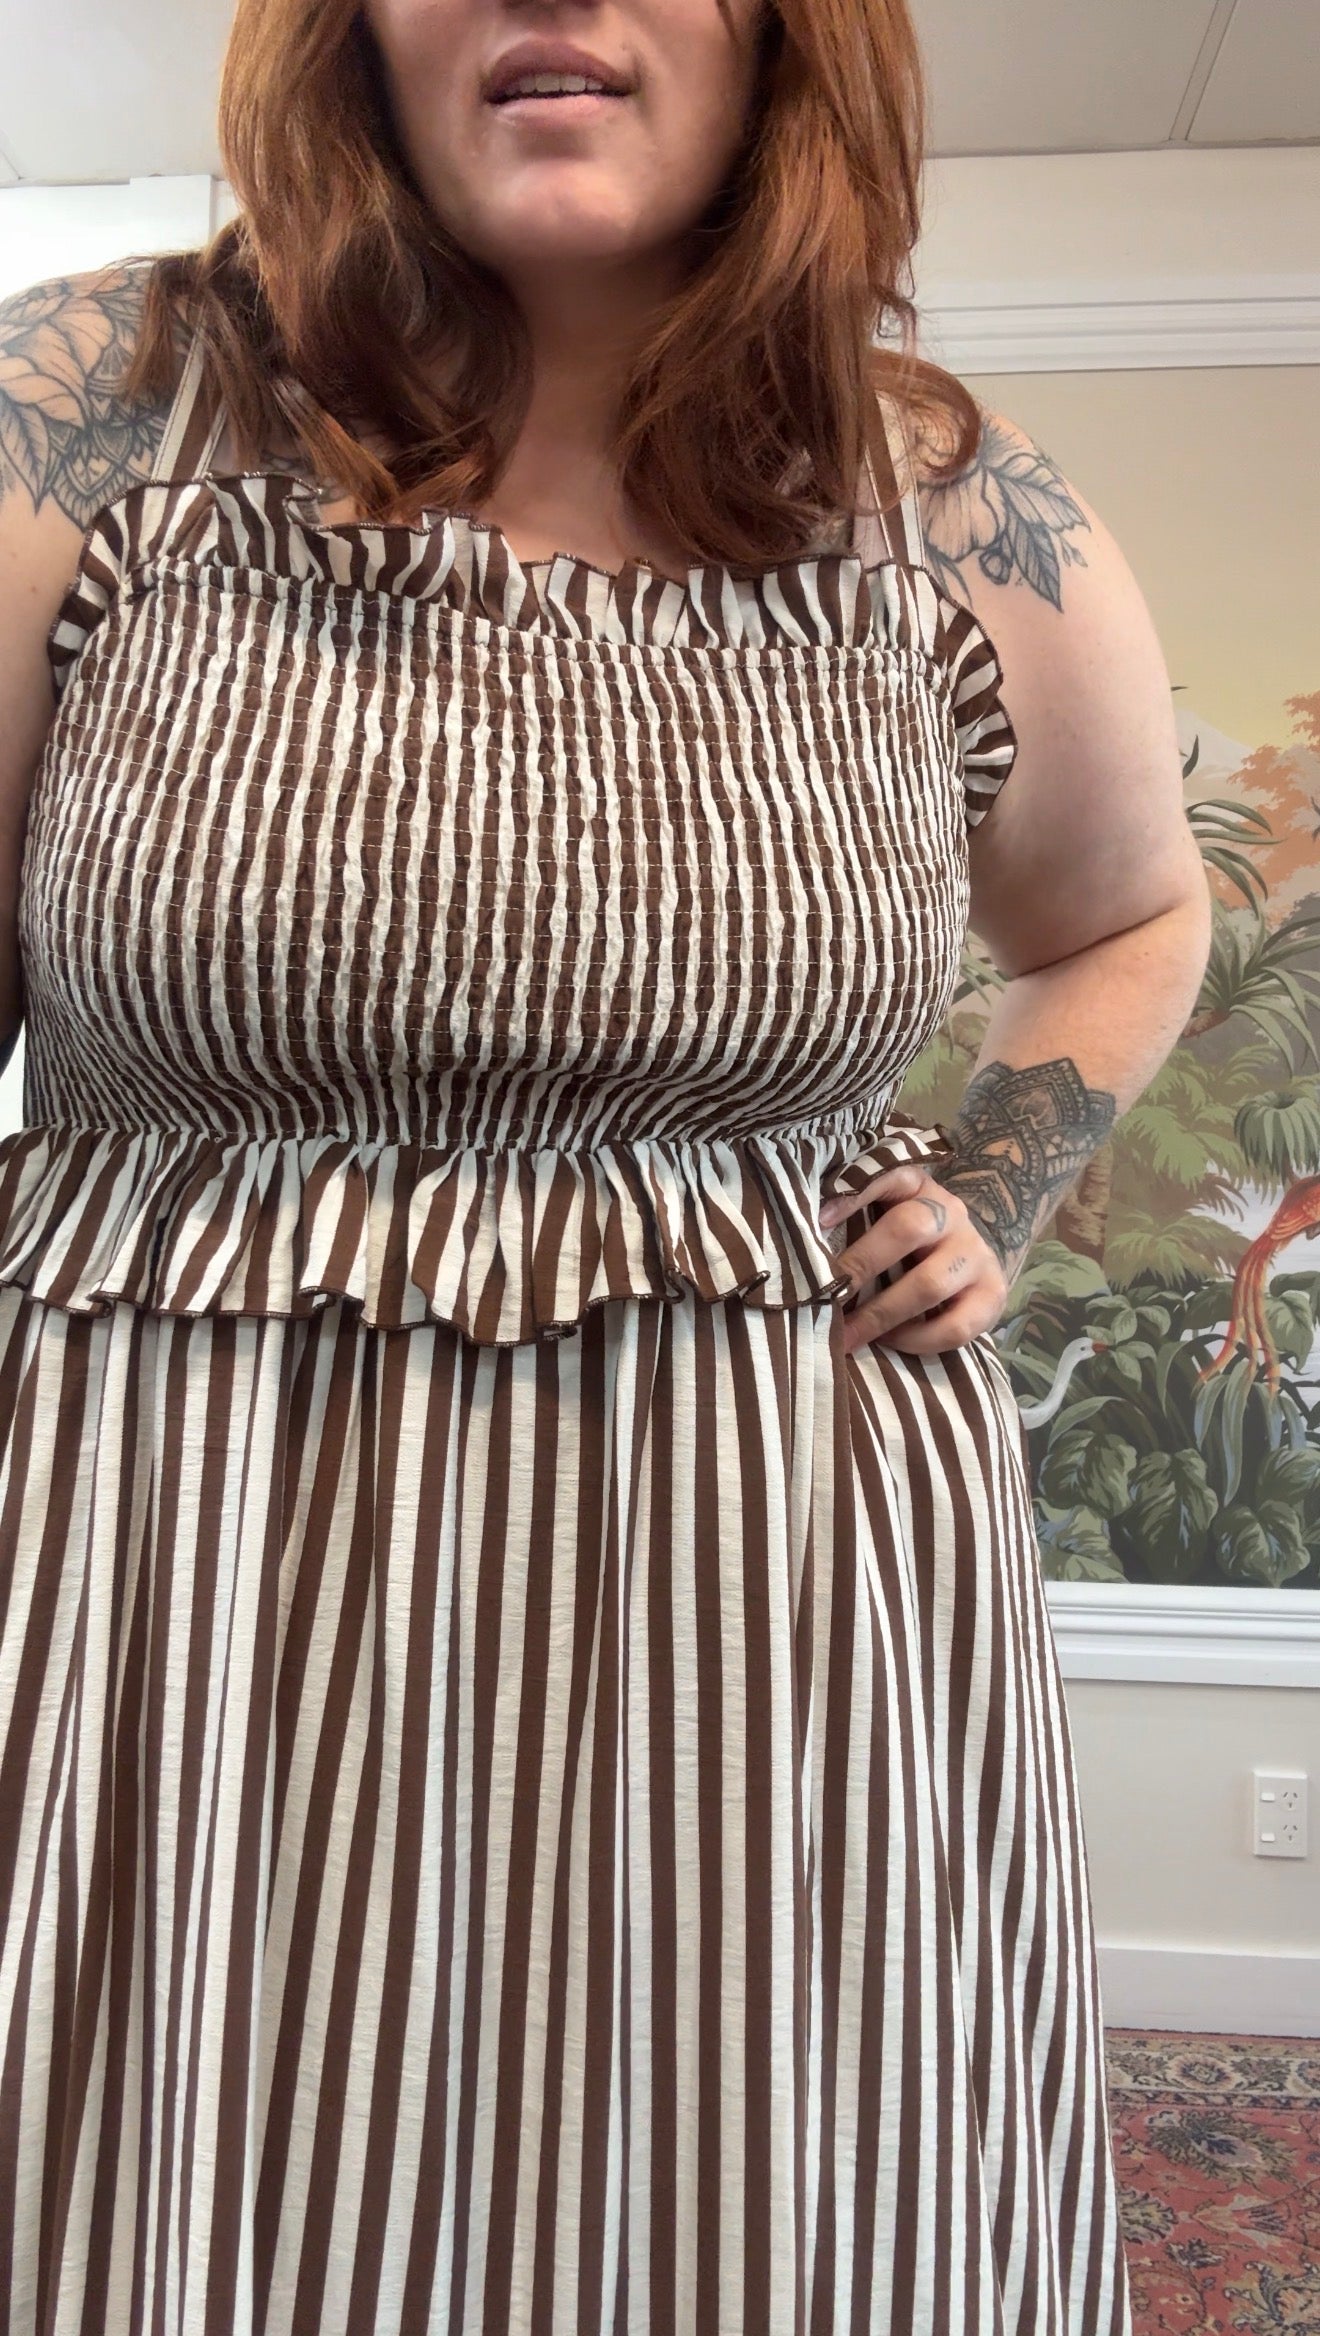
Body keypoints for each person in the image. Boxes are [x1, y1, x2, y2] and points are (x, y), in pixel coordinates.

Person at [0, 0, 1209, 2328]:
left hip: (766, 1607)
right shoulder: (100, 405)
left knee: (737, 2215)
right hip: (173, 1574)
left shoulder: (950, 499)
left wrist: (1002, 1177)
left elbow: (1130, 916)